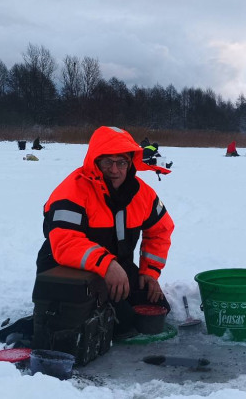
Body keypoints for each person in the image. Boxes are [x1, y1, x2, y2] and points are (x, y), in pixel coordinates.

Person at [36, 126, 174, 338]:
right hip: (68, 268)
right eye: (107, 161)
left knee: (156, 308)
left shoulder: (142, 194)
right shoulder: (71, 191)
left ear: (130, 163)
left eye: (122, 162)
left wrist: (149, 272)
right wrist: (106, 264)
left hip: (116, 267)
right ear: (95, 161)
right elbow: (64, 243)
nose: (115, 170)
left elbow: (160, 230)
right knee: (122, 323)